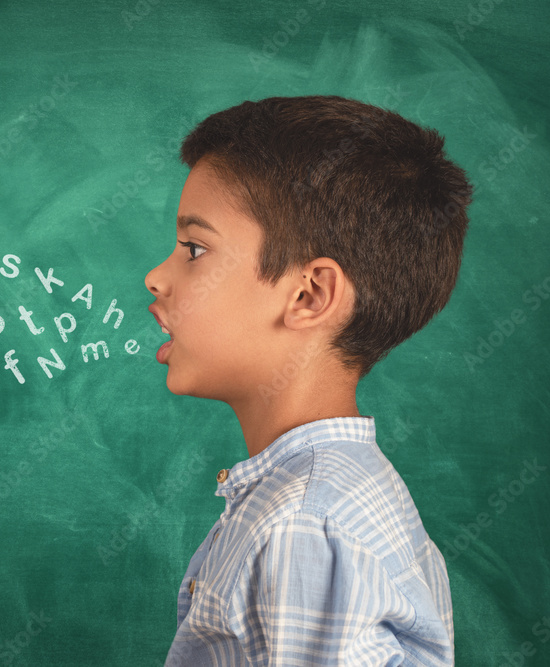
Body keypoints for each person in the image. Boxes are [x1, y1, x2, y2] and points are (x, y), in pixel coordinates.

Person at [145, 95, 471, 665]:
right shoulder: (321, 496)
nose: (155, 277)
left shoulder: (306, 524)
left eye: (195, 250)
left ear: (308, 295)